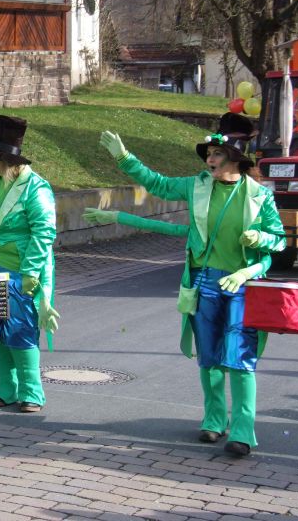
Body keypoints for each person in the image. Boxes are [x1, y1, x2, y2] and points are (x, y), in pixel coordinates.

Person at [98, 112, 285, 456]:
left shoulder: (259, 196)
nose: (209, 159)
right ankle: (214, 420)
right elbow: (157, 184)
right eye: (209, 154)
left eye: (217, 154)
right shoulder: (198, 185)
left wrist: (257, 244)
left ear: (235, 158)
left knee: (240, 359)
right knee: (209, 357)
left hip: (243, 286)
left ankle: (243, 430)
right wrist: (124, 158)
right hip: (204, 282)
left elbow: (279, 243)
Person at [0, 116, 59, 413]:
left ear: (7, 161)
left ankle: (32, 391)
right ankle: (6, 388)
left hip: (21, 272)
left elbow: (44, 232)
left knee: (21, 330)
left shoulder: (36, 188)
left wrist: (31, 272)